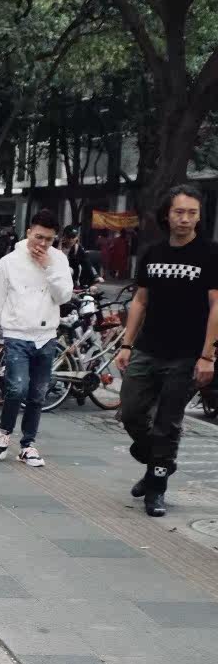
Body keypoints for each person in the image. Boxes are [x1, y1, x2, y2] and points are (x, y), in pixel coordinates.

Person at [117, 184, 218, 517]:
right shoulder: (152, 253)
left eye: (192, 213)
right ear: (167, 214)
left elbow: (216, 306)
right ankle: (158, 463)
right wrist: (127, 344)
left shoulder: (210, 254)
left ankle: (156, 487)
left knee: (167, 423)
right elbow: (140, 301)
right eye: (179, 212)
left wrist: (208, 355)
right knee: (131, 412)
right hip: (148, 348)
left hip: (187, 354)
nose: (185, 219)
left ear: (199, 217)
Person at [0, 210, 73, 468]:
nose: (42, 244)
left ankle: (28, 444)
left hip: (46, 336)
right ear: (29, 232)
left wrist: (49, 268)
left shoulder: (58, 260)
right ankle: (4, 431)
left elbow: (64, 296)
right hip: (17, 334)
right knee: (16, 388)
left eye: (49, 239)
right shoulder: (9, 262)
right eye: (39, 237)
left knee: (39, 393)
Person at [61, 226, 99, 290]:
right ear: (64, 236)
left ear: (77, 237)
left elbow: (87, 263)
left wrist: (95, 276)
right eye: (69, 237)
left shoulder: (78, 249)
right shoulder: (56, 245)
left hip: (71, 280)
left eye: (73, 237)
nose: (71, 240)